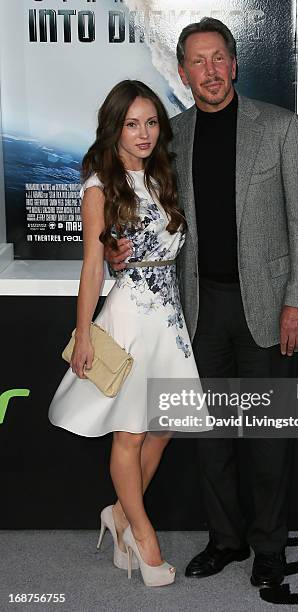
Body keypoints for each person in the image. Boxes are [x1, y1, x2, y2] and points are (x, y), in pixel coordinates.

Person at [105, 18, 298, 588]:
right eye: (198, 62)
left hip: (270, 309)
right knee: (209, 436)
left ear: (235, 63)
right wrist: (115, 249)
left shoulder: (280, 128)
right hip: (196, 310)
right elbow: (132, 209)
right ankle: (225, 540)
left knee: (270, 436)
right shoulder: (169, 138)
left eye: (219, 58)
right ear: (182, 72)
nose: (211, 71)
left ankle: (270, 548)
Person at [48, 80, 210, 587]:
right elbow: (93, 267)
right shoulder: (100, 183)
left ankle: (118, 514)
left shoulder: (163, 173)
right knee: (131, 430)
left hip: (168, 316)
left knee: (162, 427)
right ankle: (143, 536)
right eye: (132, 123)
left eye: (151, 122)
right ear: (114, 128)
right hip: (130, 312)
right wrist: (84, 333)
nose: (143, 133)